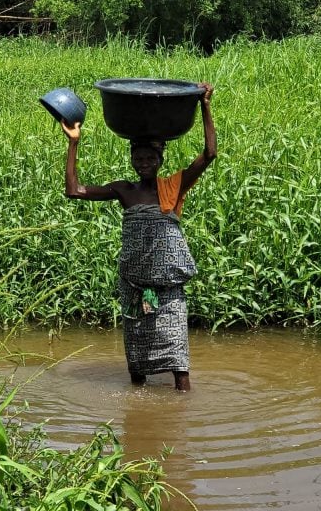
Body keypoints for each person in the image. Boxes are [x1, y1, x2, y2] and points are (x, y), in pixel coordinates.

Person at [61, 83, 216, 391]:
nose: (144, 163)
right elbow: (74, 190)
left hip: (168, 288)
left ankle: (180, 418)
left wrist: (205, 106)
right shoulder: (124, 190)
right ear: (132, 160)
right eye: (139, 158)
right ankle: (138, 412)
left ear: (159, 160)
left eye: (150, 159)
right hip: (134, 285)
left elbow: (210, 153)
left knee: (178, 361)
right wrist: (74, 142)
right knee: (137, 361)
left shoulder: (173, 186)